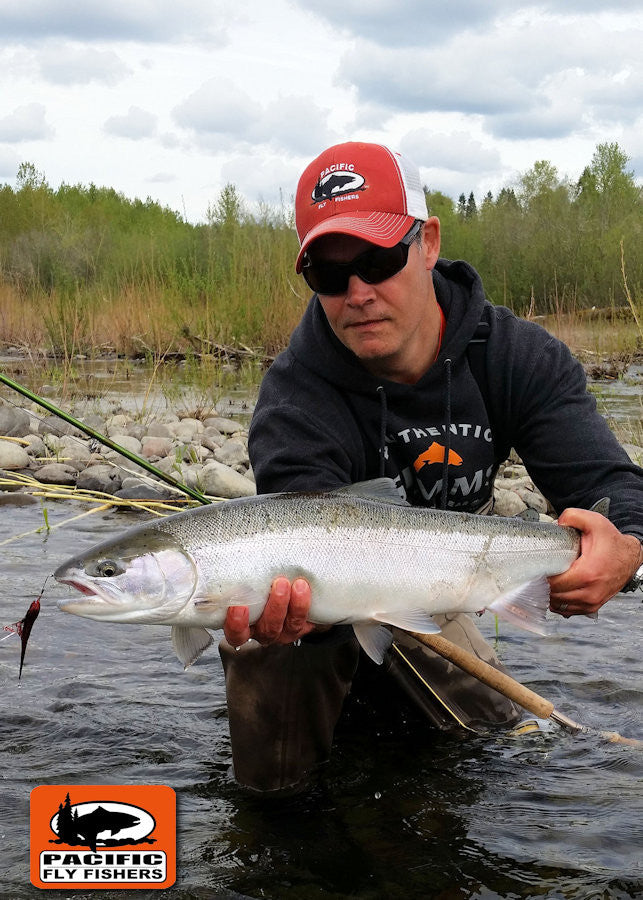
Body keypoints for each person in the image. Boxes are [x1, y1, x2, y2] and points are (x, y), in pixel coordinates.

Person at [218, 141, 643, 793]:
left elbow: (614, 494)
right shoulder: (295, 394)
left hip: (443, 597)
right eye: (330, 275)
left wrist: (626, 550)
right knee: (266, 637)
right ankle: (278, 824)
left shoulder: (514, 358)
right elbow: (303, 562)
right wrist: (288, 620)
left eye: (378, 259)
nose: (357, 292)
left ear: (427, 243)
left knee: (478, 758)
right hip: (327, 618)